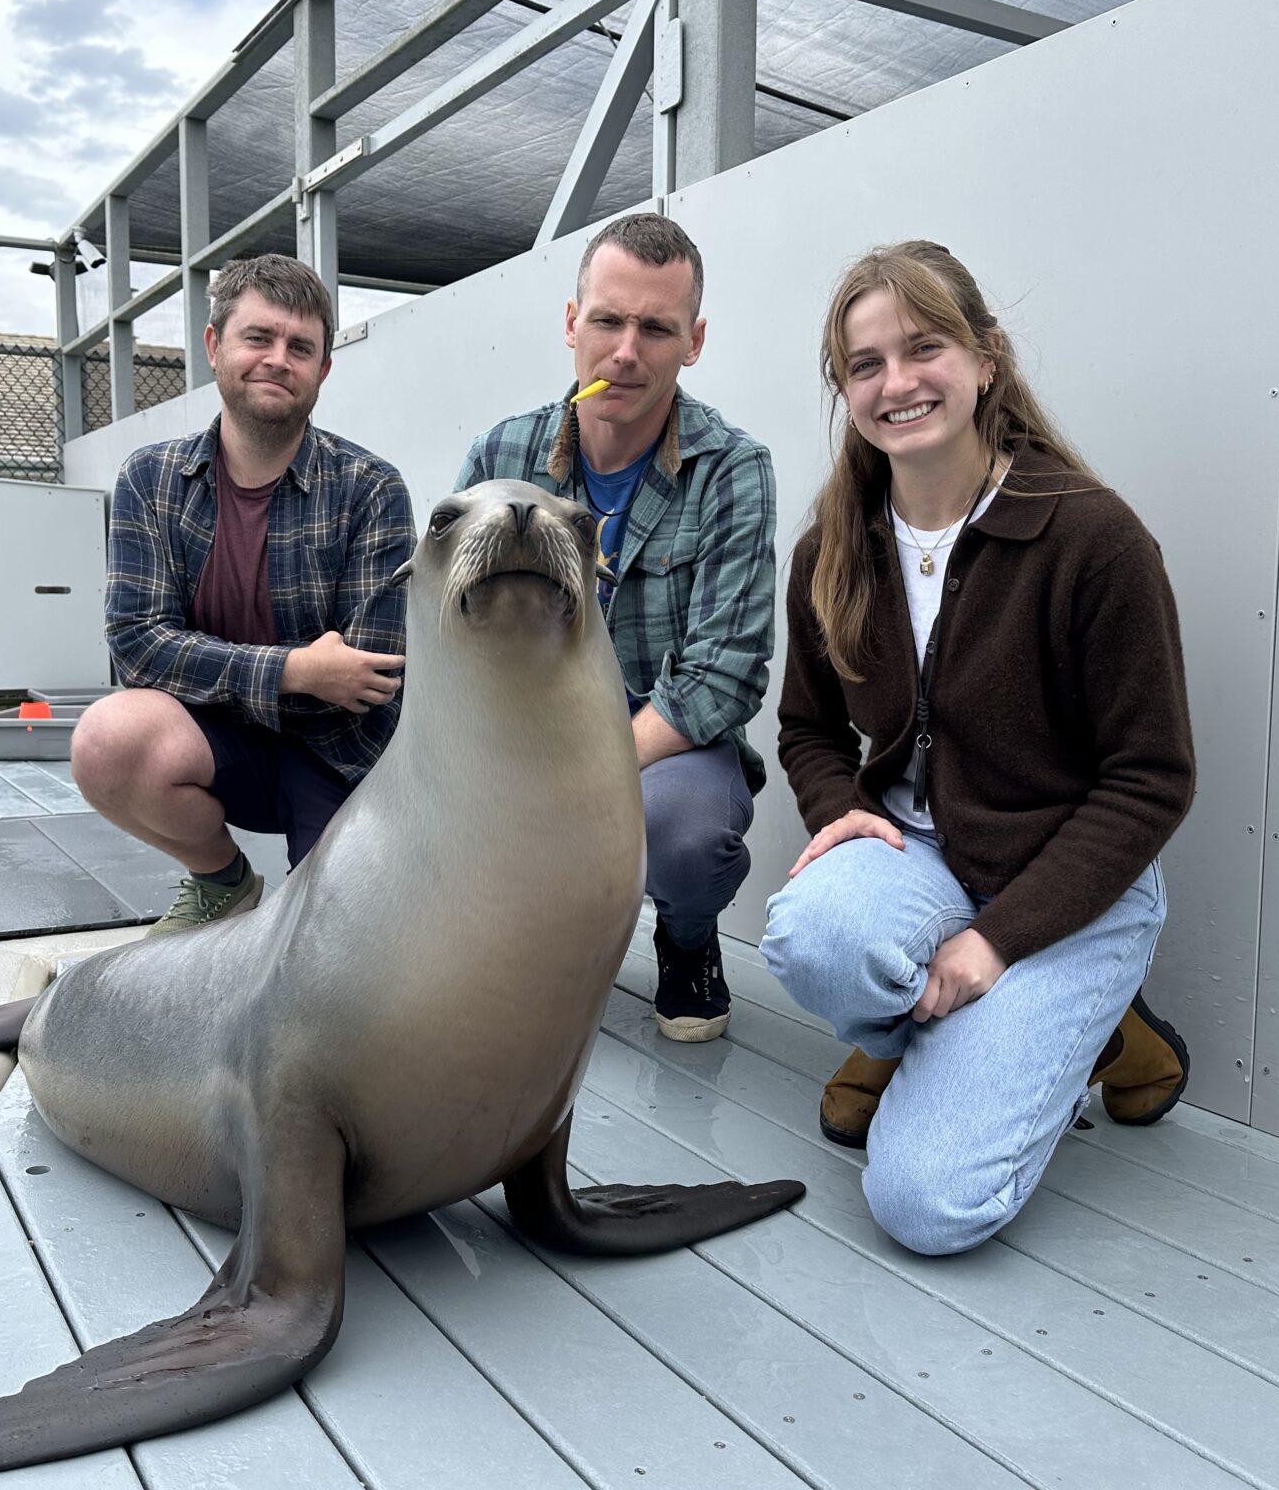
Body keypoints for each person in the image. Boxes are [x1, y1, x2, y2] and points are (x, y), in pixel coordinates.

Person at [760, 241, 1194, 1256]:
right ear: (844, 389)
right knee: (811, 932)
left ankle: (1091, 1022)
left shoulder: (1092, 540)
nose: (895, 383)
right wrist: (840, 812)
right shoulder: (832, 545)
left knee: (926, 1208)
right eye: (863, 364)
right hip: (924, 862)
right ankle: (941, 1029)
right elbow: (805, 729)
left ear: (985, 357)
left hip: (1069, 890)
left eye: (922, 349)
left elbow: (1149, 779)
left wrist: (995, 944)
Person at [457, 213, 776, 1042]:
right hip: (527, 734)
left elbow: (727, 673)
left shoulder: (733, 469)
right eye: (608, 321)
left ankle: (687, 936)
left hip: (665, 744)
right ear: (572, 324)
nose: (627, 352)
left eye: (656, 328)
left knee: (687, 835)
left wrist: (587, 770)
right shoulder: (502, 455)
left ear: (693, 341)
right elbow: (450, 623)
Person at [71, 254, 414, 936]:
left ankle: (337, 878)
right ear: (215, 345)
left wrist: (237, 671)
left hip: (339, 753)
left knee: (339, 952)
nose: (277, 360)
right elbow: (137, 646)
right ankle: (223, 878)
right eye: (259, 338)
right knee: (108, 739)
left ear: (322, 369)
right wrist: (298, 671)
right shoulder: (151, 480)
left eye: (300, 347)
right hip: (220, 742)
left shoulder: (372, 489)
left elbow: (368, 680)